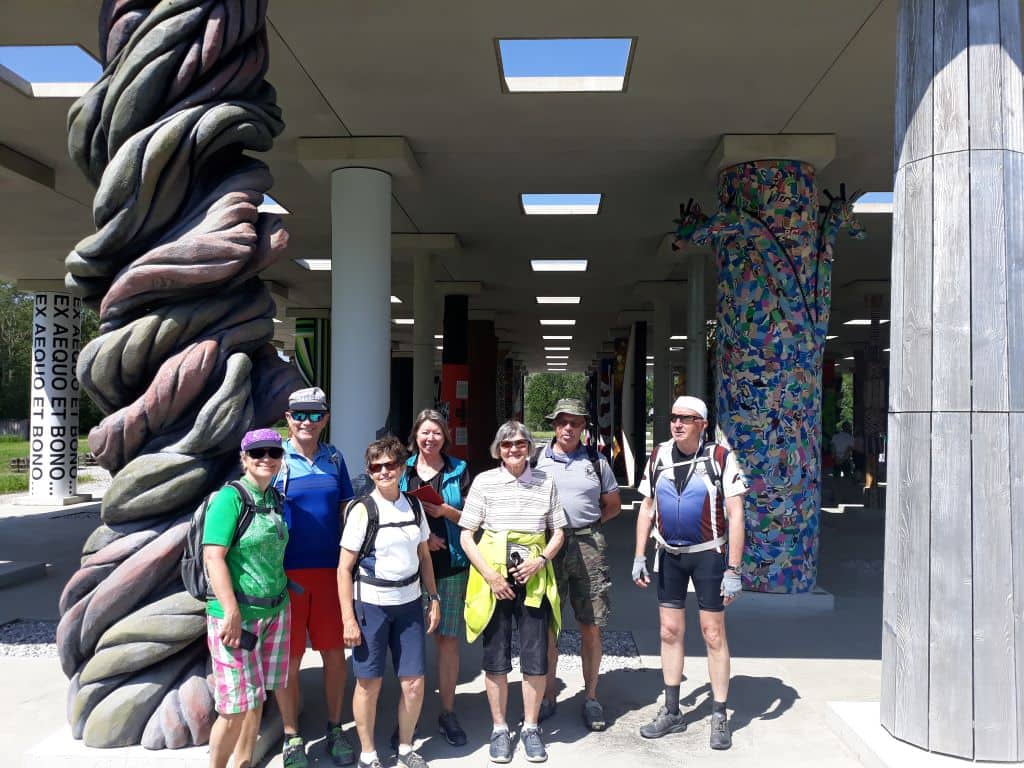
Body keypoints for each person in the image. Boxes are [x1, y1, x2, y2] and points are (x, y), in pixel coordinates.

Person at [632, 396, 747, 750]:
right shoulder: (658, 456)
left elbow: (736, 514)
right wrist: (638, 555)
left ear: (702, 424)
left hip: (708, 556)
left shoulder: (720, 458)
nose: (677, 423)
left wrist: (734, 569)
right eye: (673, 417)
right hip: (669, 555)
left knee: (713, 633)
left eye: (686, 418)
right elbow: (647, 508)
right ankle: (672, 711)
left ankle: (719, 714)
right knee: (669, 631)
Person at [459, 421, 566, 764]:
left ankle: (531, 728)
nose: (514, 449)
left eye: (520, 443)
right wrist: (490, 576)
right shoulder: (484, 482)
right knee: (496, 657)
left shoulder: (546, 481)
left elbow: (558, 531)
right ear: (498, 450)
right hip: (495, 578)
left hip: (533, 577)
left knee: (536, 656)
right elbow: (466, 535)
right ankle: (500, 729)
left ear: (530, 447)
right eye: (507, 445)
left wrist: (540, 561)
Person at [338, 436, 441, 768]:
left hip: (409, 603)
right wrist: (348, 619)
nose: (383, 471)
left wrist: (433, 597)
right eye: (376, 467)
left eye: (390, 465)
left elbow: (424, 556)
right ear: (369, 471)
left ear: (401, 467)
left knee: (414, 683)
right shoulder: (362, 510)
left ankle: (406, 747)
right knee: (369, 683)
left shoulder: (413, 505)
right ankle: (368, 753)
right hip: (371, 605)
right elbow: (344, 569)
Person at [274, 387, 355, 768]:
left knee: (334, 654)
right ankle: (291, 736)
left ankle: (336, 727)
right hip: (285, 574)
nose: (306, 421)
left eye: (314, 414)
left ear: (325, 419)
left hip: (330, 572)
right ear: (288, 418)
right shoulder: (274, 458)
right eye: (299, 414)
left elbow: (346, 511)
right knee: (288, 659)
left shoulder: (335, 458)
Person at [204, 429, 291, 768]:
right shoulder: (230, 498)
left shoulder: (275, 499)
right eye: (257, 453)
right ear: (244, 458)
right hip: (237, 617)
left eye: (274, 452)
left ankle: (243, 763)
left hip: (276, 611)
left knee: (256, 698)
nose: (266, 458)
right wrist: (230, 611)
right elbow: (213, 557)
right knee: (234, 709)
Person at [532, 398, 620, 731]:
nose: (568, 428)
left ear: (584, 427)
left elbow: (612, 504)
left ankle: (591, 697)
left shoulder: (597, 462)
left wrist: (590, 526)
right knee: (547, 626)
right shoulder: (536, 460)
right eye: (562, 422)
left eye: (575, 423)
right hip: (547, 546)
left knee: (591, 624)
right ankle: (547, 695)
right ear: (554, 425)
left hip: (588, 545)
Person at [398, 409, 471, 746]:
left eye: (437, 433)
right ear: (415, 435)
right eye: (425, 432)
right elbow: (390, 511)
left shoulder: (459, 469)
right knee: (409, 643)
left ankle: (447, 711)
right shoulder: (403, 469)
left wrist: (444, 511)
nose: (430, 438)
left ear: (446, 436)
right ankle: (407, 715)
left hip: (451, 565)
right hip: (409, 567)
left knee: (447, 640)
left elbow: (473, 516)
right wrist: (423, 538)